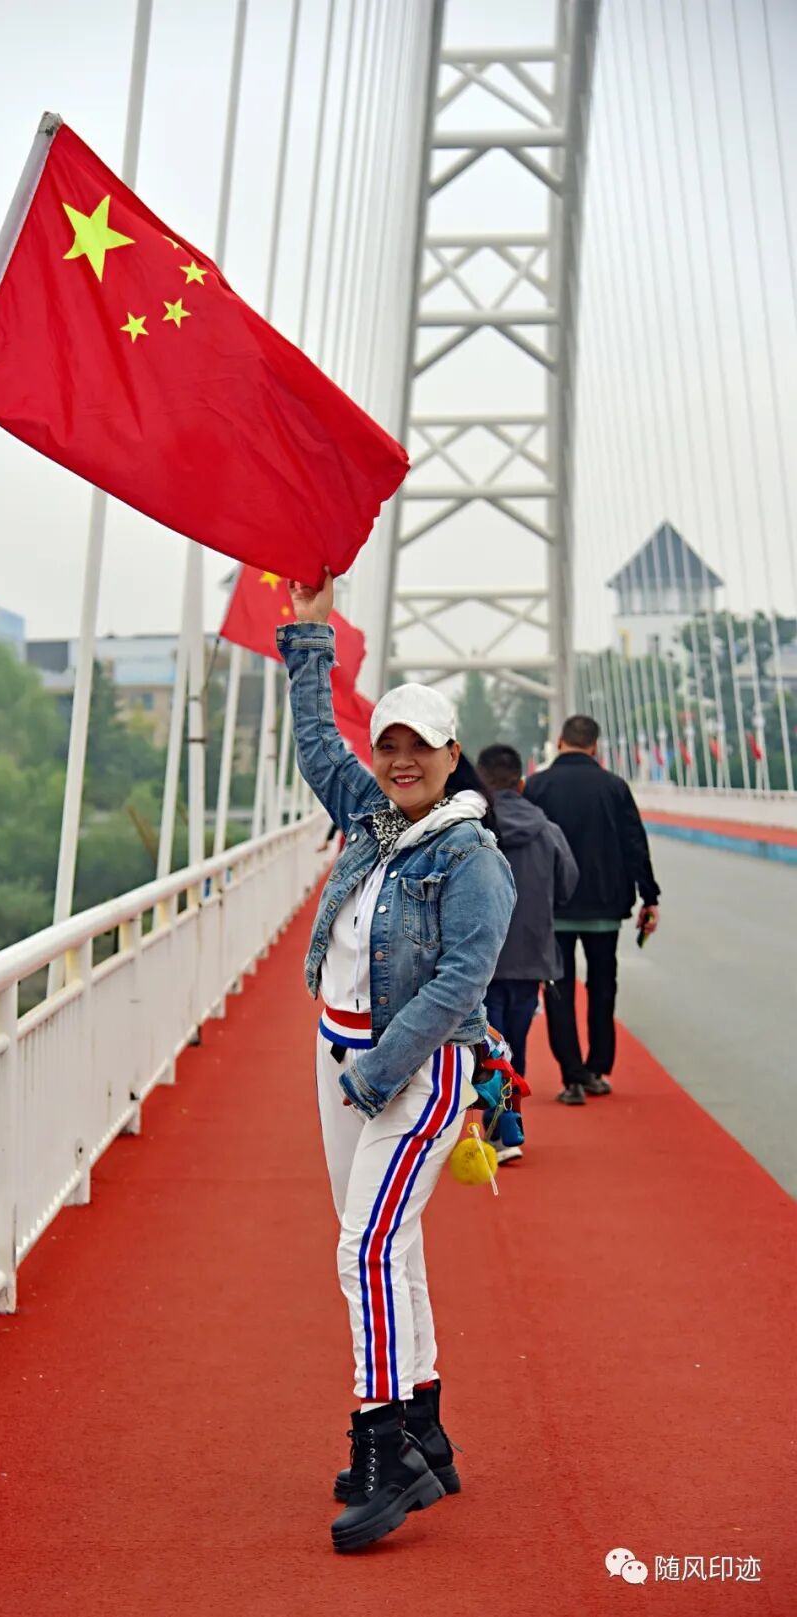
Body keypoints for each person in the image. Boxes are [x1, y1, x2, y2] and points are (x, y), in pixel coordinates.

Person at [278, 569, 515, 1554]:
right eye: (389, 745)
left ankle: (383, 1450)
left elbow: (460, 983)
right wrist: (311, 637)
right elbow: (316, 745)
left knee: (364, 1249)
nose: (401, 760)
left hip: (414, 1073)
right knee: (391, 1243)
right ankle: (426, 1429)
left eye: (420, 746)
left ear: (453, 756)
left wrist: (379, 1072)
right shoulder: (372, 818)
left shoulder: (470, 857)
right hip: (340, 1059)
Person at [523, 714, 660, 1105]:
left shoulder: (537, 786)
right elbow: (635, 845)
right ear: (595, 746)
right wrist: (649, 897)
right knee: (603, 986)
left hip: (553, 907)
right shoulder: (614, 787)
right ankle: (597, 1069)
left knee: (558, 990)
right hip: (605, 905)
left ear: (560, 742)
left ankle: (572, 1077)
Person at [477, 744, 579, 1157]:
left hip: (482, 957)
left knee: (487, 1045)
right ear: (521, 783)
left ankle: (498, 1127)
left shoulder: (470, 830)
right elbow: (568, 885)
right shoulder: (548, 831)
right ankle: (506, 1125)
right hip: (532, 955)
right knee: (514, 1043)